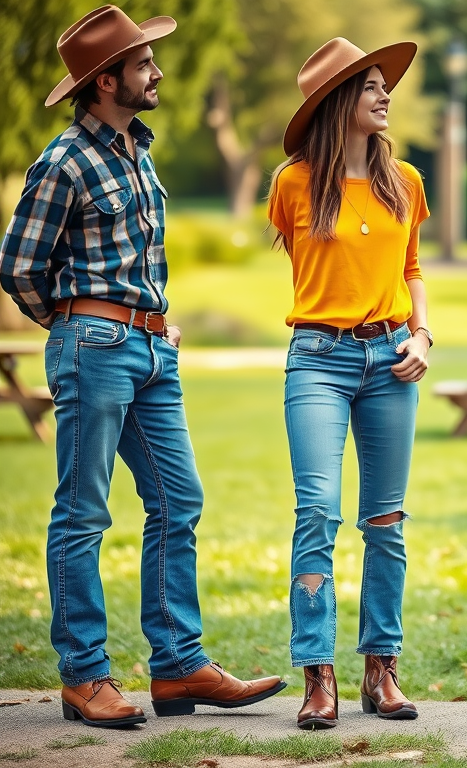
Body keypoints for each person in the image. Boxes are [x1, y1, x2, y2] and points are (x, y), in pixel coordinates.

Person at [0, 5, 286, 728]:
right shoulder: (65, 159)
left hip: (154, 350)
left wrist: (149, 322)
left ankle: (177, 667)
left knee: (178, 500)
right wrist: (80, 323)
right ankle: (84, 676)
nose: (156, 72)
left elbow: (136, 259)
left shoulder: (137, 150)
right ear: (106, 80)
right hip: (95, 349)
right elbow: (18, 265)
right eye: (143, 64)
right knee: (83, 511)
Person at [267, 37, 431, 729]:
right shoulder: (293, 184)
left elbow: (413, 269)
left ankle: (380, 671)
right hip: (318, 360)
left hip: (393, 360)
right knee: (317, 512)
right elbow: (305, 264)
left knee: (386, 522)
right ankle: (319, 678)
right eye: (369, 85)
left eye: (382, 84)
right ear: (339, 101)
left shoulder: (408, 182)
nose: (385, 94)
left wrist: (422, 334)